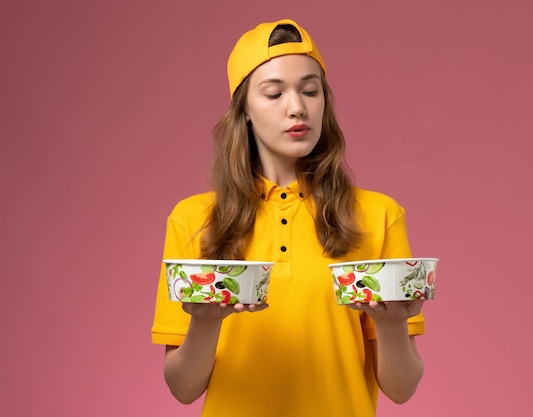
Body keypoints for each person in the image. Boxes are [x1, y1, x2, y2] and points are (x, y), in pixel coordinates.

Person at [151, 18, 426, 416]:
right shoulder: (193, 219)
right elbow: (182, 387)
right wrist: (206, 322)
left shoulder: (378, 215)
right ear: (243, 109)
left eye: (310, 91)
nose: (297, 107)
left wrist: (390, 324)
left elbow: (401, 389)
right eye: (274, 93)